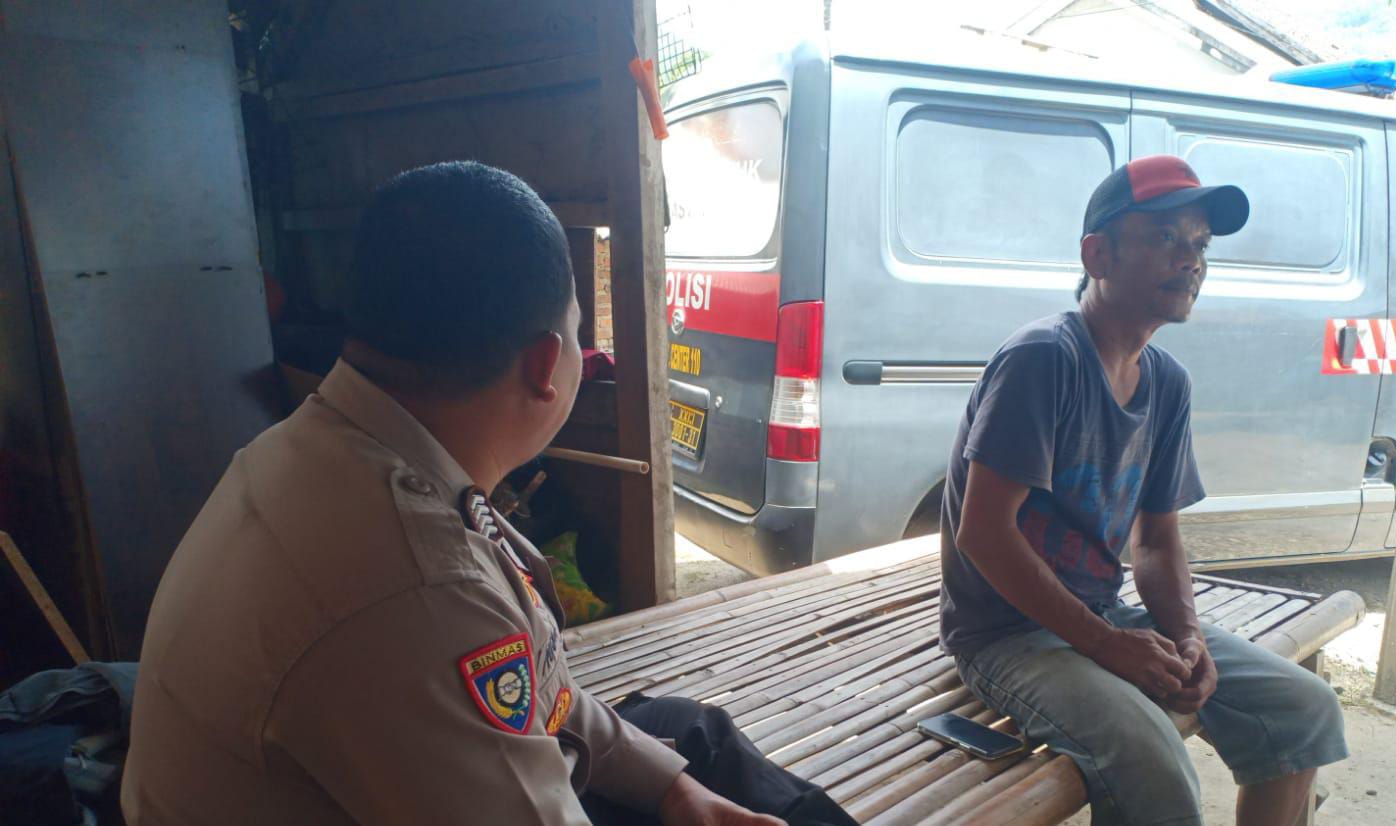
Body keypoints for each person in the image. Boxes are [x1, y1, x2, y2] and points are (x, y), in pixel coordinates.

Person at [122, 161, 854, 826]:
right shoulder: (417, 584)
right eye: (578, 332)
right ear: (544, 364)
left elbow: (539, 690)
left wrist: (672, 790)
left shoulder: (318, 447)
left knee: (691, 741)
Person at [938, 155, 1346, 826]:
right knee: (1153, 762)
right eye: (1164, 237)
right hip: (1005, 634)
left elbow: (1154, 539)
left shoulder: (1166, 382)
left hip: (1104, 613)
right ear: (1097, 255)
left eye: (1200, 245)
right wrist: (1105, 644)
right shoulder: (1044, 359)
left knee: (1303, 707)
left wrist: (1187, 636)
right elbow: (982, 531)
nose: (1191, 261)